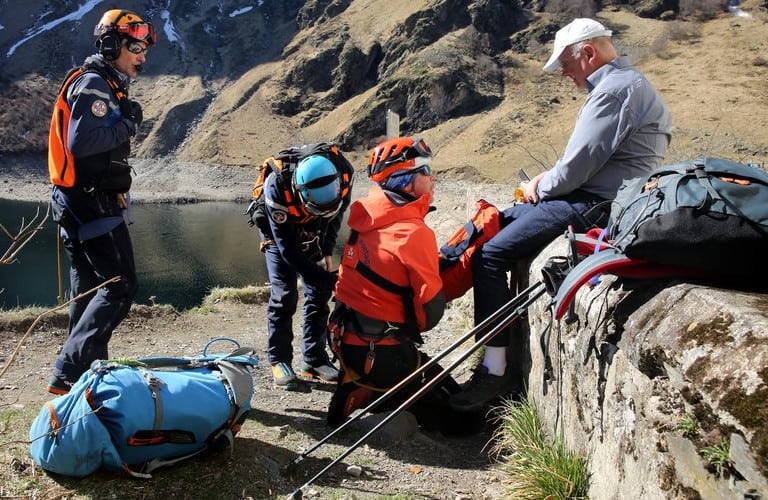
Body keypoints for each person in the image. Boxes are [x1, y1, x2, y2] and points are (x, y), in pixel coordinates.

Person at [449, 18, 673, 411]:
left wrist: (541, 186)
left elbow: (575, 170)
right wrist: (547, 181)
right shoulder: (625, 85)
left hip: (593, 204)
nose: (567, 76)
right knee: (497, 226)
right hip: (599, 197)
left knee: (490, 254)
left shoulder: (614, 92)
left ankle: (495, 370)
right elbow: (584, 161)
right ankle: (495, 356)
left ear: (588, 54)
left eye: (567, 66)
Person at [327, 137, 483, 436]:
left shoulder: (365, 217)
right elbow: (430, 315)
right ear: (406, 183)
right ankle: (377, 391)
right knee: (465, 423)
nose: (431, 177)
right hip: (384, 352)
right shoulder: (413, 232)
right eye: (424, 171)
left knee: (440, 381)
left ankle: (362, 386)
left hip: (347, 337)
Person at [46, 9, 156, 395]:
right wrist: (128, 123)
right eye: (136, 47)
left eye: (144, 49)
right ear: (112, 45)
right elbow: (82, 143)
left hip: (75, 200)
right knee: (121, 284)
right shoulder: (95, 84)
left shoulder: (102, 82)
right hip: (92, 203)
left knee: (89, 289)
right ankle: (69, 370)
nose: (142, 56)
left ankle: (84, 377)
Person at [255, 146, 354, 390]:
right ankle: (279, 360)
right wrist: (332, 281)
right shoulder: (276, 187)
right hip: (280, 234)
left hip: (316, 227)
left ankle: (314, 359)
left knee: (319, 294)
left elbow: (335, 217)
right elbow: (288, 251)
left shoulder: (344, 174)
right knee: (285, 293)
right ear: (300, 192)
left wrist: (328, 249)